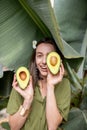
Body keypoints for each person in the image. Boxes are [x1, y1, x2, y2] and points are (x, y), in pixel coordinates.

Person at [7, 37, 71, 130]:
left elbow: (52, 126)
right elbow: (14, 127)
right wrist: (27, 100)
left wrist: (50, 86)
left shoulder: (64, 84)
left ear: (57, 60)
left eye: (49, 56)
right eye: (39, 55)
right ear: (35, 59)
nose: (44, 62)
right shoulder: (22, 82)